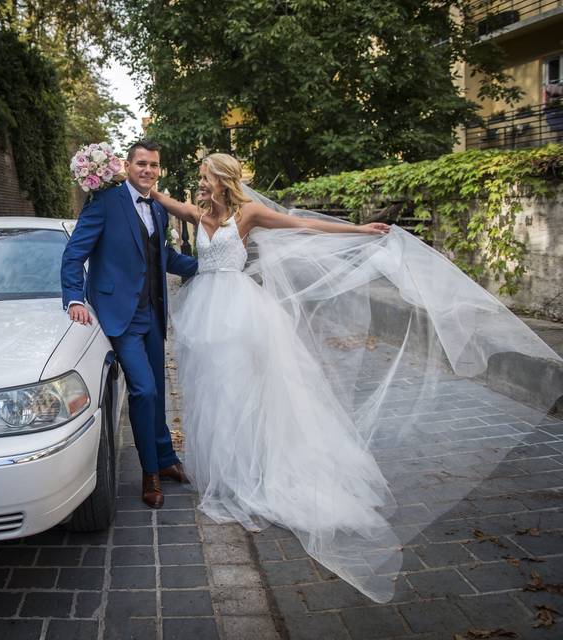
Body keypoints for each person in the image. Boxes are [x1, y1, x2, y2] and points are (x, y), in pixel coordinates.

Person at [150, 152, 562, 603]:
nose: (200, 183)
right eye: (200, 179)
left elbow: (305, 227)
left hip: (243, 314)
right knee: (214, 394)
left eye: (205, 176)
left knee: (245, 392)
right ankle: (225, 475)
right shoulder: (196, 213)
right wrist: (116, 175)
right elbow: (154, 193)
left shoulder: (249, 213)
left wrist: (360, 231)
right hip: (206, 314)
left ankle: (256, 473)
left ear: (222, 178)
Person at [61, 139, 198, 509]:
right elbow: (74, 255)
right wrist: (74, 298)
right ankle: (149, 471)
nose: (148, 171)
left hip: (153, 313)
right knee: (144, 390)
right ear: (127, 164)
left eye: (154, 165)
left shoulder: (157, 208)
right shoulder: (104, 203)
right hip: (120, 315)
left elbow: (162, 255)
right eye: (141, 164)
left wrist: (207, 267)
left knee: (157, 389)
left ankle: (167, 459)